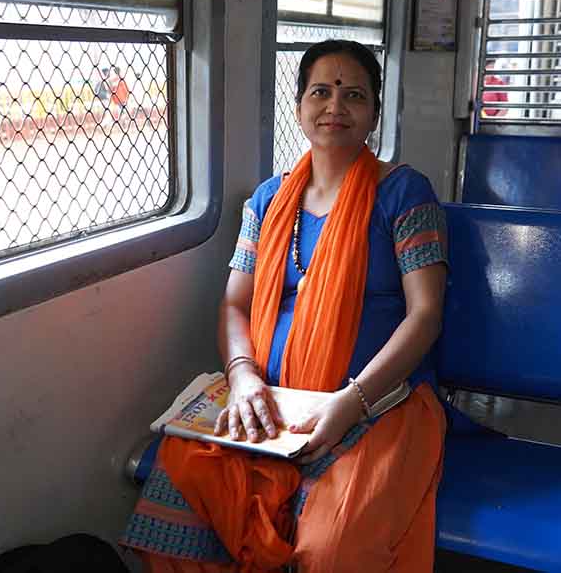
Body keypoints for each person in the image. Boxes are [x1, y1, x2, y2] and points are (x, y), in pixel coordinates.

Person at [122, 40, 449, 573]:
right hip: (272, 398)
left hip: (381, 401)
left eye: (354, 95)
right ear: (298, 107)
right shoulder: (268, 200)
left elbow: (426, 314)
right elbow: (235, 303)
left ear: (374, 113)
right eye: (321, 92)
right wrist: (243, 378)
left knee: (332, 548)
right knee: (178, 484)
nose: (335, 106)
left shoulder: (405, 194)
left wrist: (351, 403)